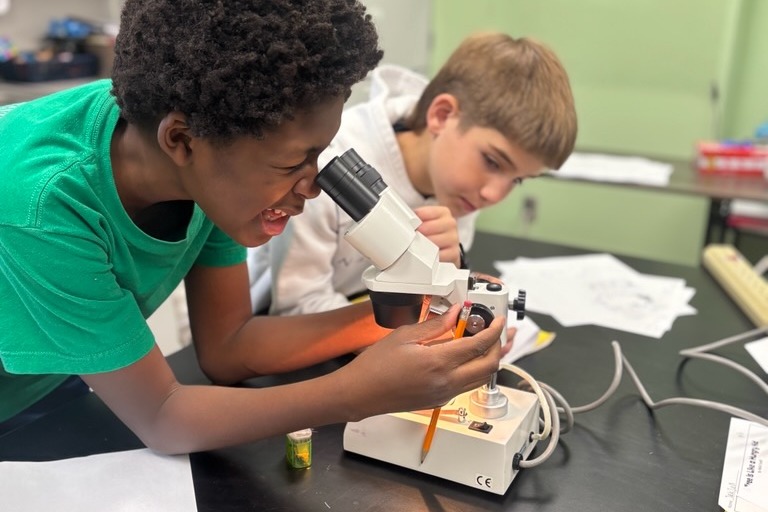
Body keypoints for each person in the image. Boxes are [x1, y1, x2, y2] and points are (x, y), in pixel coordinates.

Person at [0, 0, 505, 452]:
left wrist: (413, 313)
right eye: (293, 164)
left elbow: (228, 348)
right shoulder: (43, 203)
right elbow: (163, 417)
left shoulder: (208, 142)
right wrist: (359, 392)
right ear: (182, 139)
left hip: (52, 376)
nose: (312, 188)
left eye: (320, 154)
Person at [247, 32, 577, 318]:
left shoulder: (457, 187)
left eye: (516, 180)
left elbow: (435, 299)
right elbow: (297, 304)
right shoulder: (328, 161)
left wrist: (453, 276)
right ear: (443, 115)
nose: (494, 194)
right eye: (493, 162)